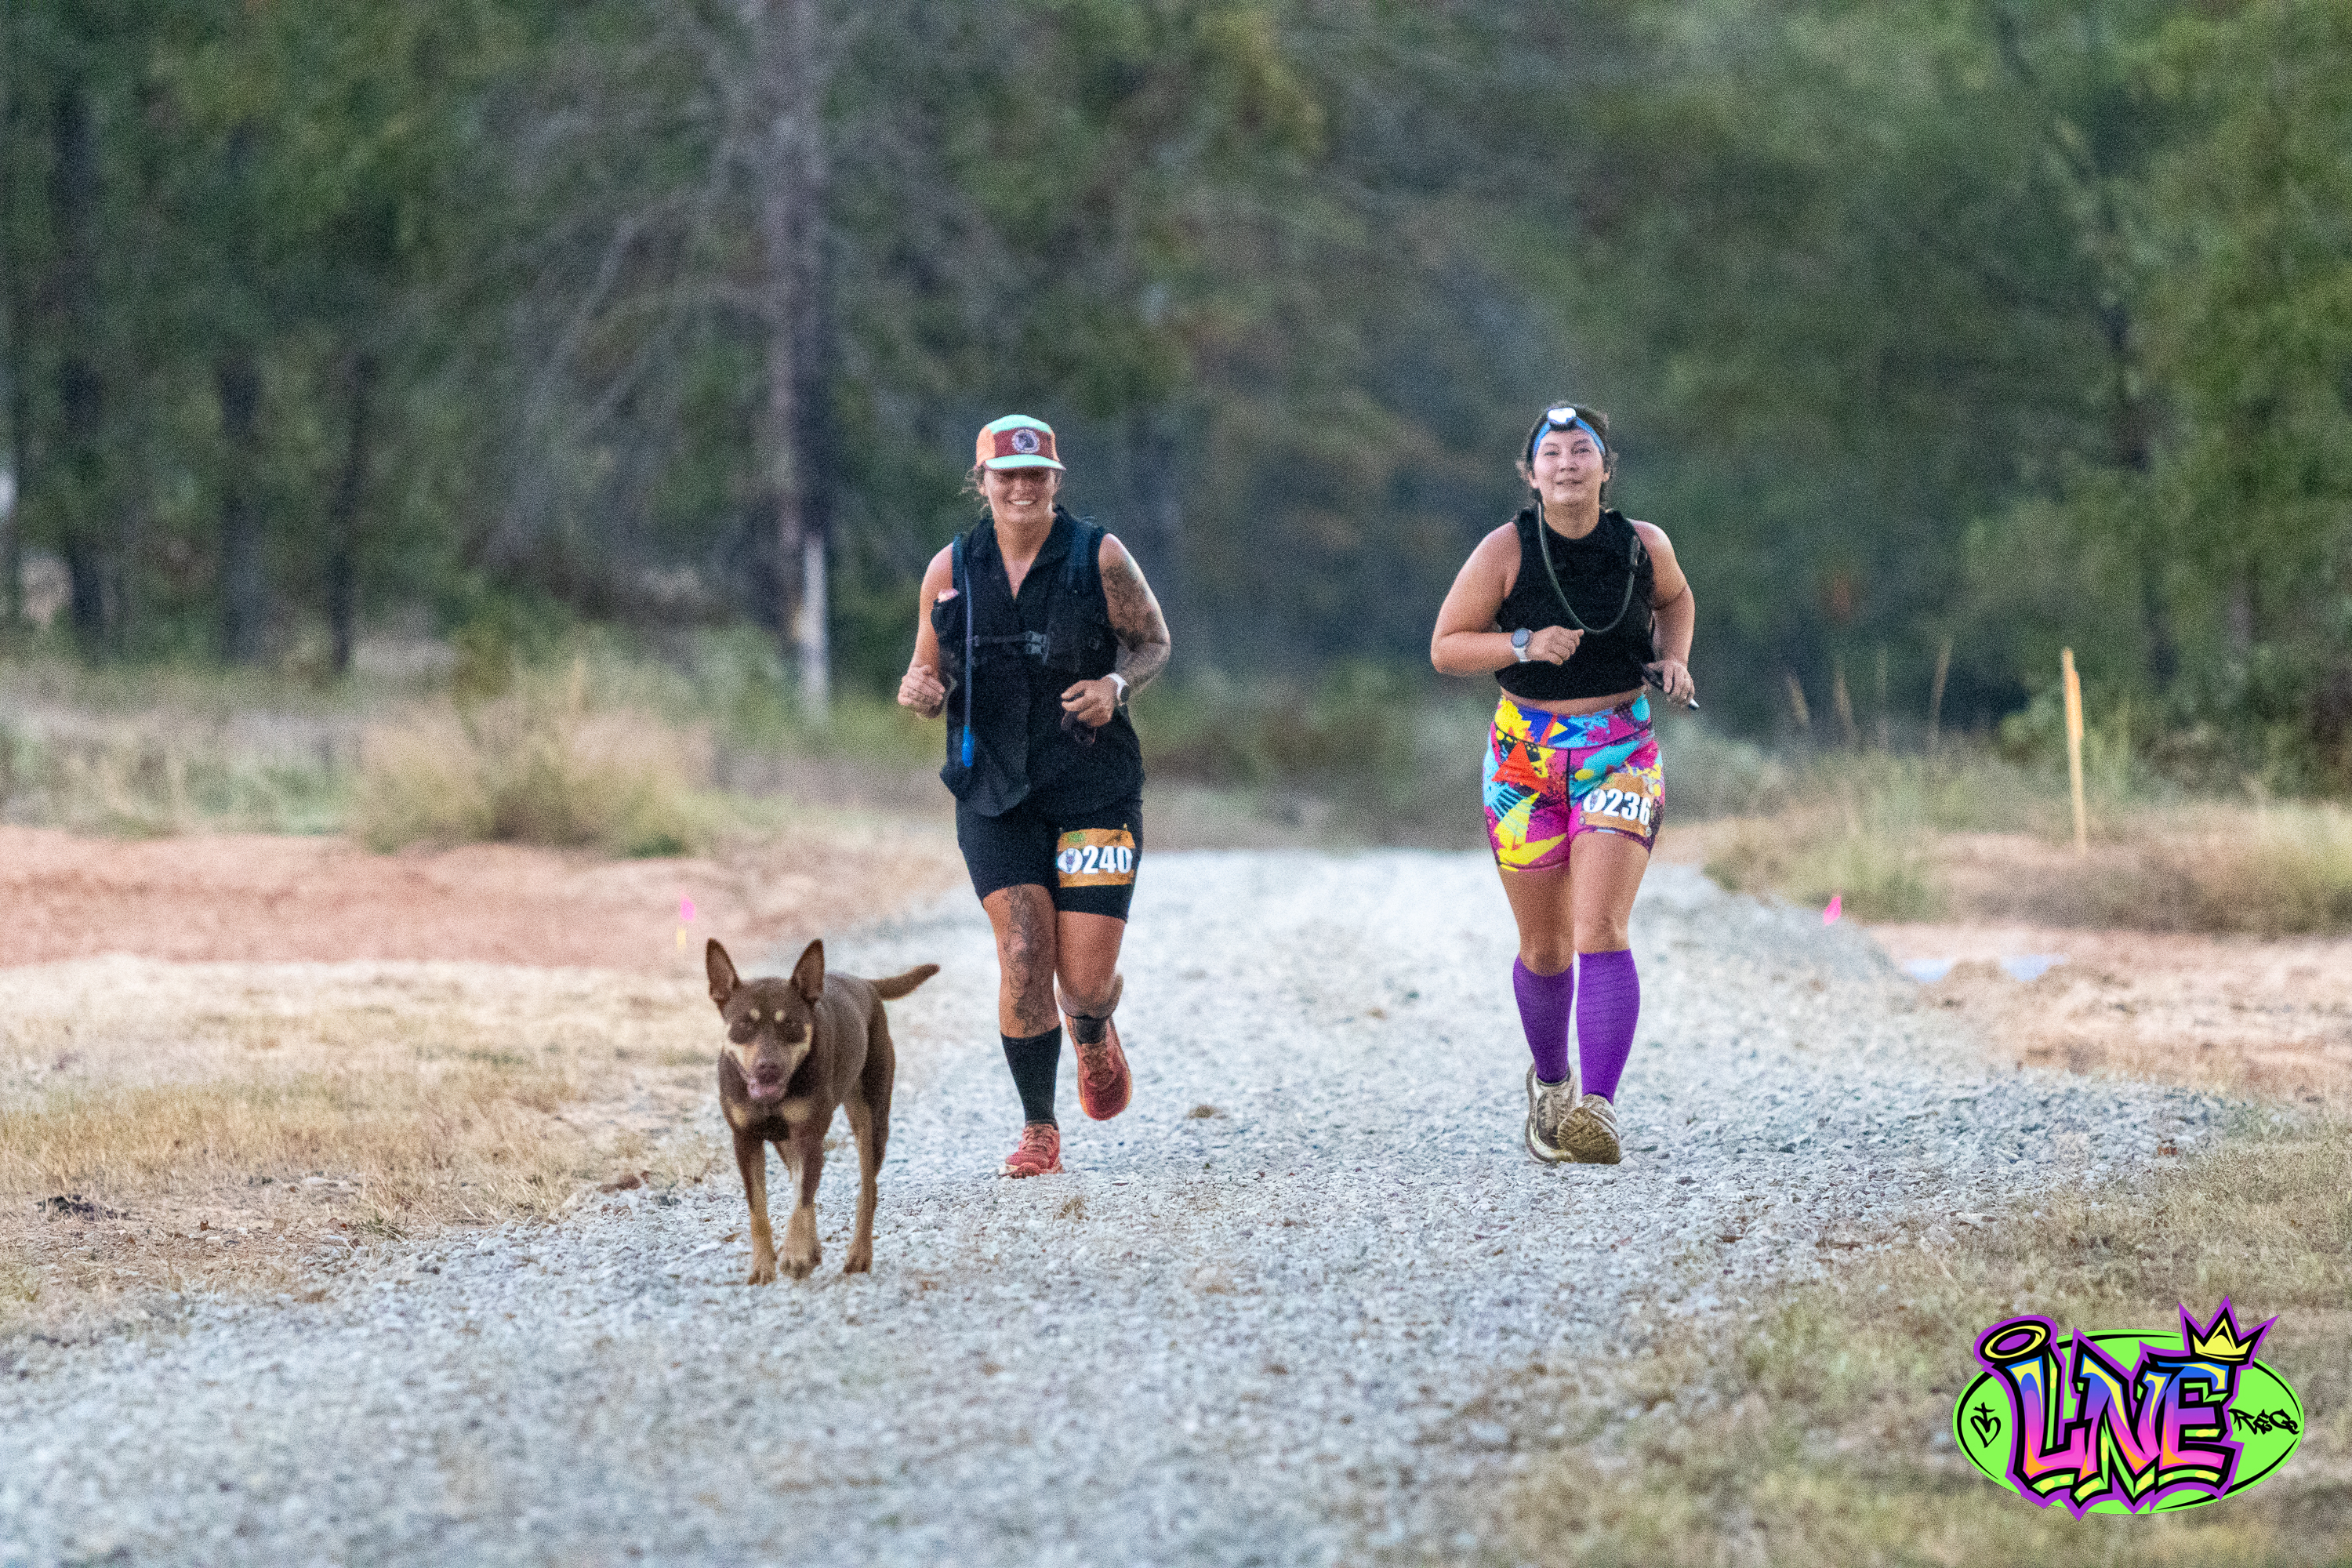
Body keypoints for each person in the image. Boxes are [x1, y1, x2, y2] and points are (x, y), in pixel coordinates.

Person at [898, 416, 1173, 1178]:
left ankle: (1092, 1025)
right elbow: (928, 675)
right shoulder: (950, 570)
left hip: (1095, 789)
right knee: (1023, 950)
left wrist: (1116, 685)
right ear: (980, 481)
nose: (1022, 487)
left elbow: (1153, 642)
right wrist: (920, 690)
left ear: (1056, 479)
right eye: (1006, 475)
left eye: (1036, 474)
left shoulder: (1099, 556)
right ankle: (1039, 1129)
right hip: (994, 792)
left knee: (1081, 980)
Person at [1429, 402, 1697, 1164]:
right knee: (1545, 947)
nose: (1570, 461)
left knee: (1599, 929)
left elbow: (1675, 599)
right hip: (1523, 756)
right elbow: (1447, 646)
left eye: (1585, 449)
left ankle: (1599, 1108)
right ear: (1531, 472)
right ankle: (1551, 1083)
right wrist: (1521, 641)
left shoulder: (1644, 546)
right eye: (1554, 452)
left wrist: (1672, 656)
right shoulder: (1504, 551)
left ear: (1607, 468)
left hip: (1620, 747)